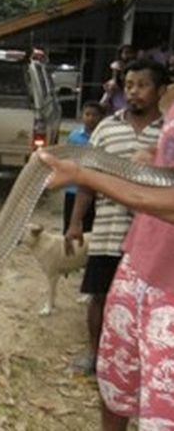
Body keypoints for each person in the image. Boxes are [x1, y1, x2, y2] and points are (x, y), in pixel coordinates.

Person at [39, 76, 174, 431]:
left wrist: (85, 175)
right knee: (115, 385)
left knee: (163, 414)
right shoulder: (171, 100)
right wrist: (154, 160)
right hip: (138, 262)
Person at [65, 59, 164, 385]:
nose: (134, 92)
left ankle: (140, 363)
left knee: (147, 301)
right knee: (99, 294)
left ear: (160, 91)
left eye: (142, 85)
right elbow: (87, 180)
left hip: (153, 238)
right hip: (108, 229)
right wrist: (76, 222)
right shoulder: (106, 128)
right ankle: (97, 355)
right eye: (129, 85)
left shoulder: (167, 133)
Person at [62, 100, 103, 234]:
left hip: (93, 190)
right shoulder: (74, 137)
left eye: (95, 115)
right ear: (81, 116)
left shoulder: (102, 138)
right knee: (69, 225)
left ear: (101, 118)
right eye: (87, 114)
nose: (90, 118)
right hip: (73, 189)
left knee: (88, 228)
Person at [100, 44, 136, 115]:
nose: (128, 55)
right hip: (117, 92)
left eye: (130, 52)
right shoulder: (116, 65)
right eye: (126, 53)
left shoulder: (136, 65)